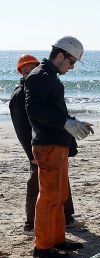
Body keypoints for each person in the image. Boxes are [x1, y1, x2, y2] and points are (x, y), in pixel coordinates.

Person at [25, 36, 94, 258]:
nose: (72, 67)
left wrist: (72, 122)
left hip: (56, 143)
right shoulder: (40, 76)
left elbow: (53, 110)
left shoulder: (49, 76)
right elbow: (34, 110)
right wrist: (66, 123)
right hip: (47, 144)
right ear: (61, 55)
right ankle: (43, 246)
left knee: (58, 195)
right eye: (72, 62)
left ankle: (56, 239)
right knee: (49, 196)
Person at [9, 54, 83, 235]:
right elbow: (22, 129)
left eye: (31, 69)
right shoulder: (20, 94)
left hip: (53, 142)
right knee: (38, 185)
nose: (29, 73)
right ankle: (31, 224)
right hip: (38, 147)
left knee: (60, 183)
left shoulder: (42, 84)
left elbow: (58, 112)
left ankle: (66, 217)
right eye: (25, 71)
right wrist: (30, 155)